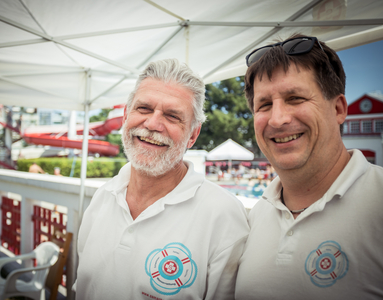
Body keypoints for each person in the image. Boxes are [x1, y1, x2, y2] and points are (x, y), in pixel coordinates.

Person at [75, 59, 249, 299]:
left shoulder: (223, 215)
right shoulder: (102, 198)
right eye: (144, 109)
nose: (153, 124)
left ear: (193, 135)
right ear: (126, 116)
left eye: (172, 116)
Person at [235, 34, 383, 299]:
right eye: (265, 105)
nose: (278, 119)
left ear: (338, 109)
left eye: (295, 98)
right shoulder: (254, 217)